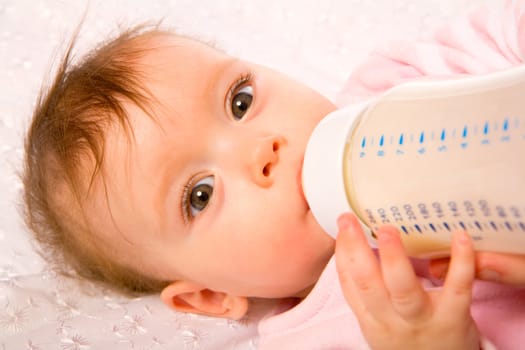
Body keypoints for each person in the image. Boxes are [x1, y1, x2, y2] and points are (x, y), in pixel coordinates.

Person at [22, 0, 525, 349]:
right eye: (200, 194)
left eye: (240, 102)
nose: (261, 151)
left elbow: (501, 27)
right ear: (211, 297)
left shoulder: (393, 84)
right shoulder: (326, 334)